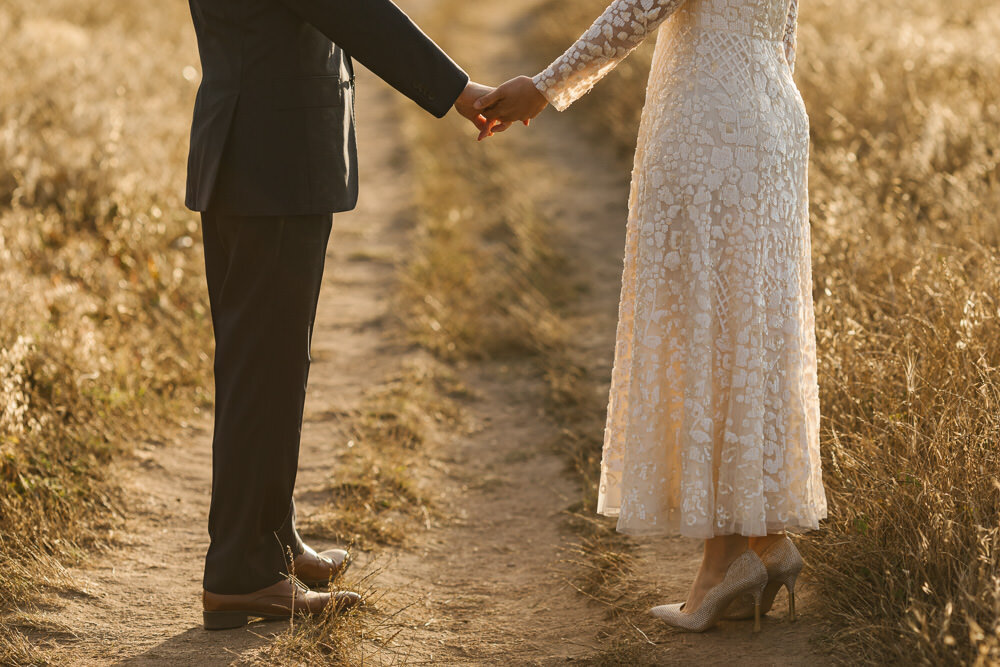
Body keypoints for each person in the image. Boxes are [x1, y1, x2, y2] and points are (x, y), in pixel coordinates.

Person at [475, 0, 827, 633]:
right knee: (753, 332)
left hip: (708, 129)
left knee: (705, 332)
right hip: (774, 122)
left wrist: (546, 86)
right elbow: (784, 31)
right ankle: (766, 539)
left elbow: (640, 7)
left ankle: (722, 566)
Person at [185, 0, 491, 630]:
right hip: (268, 155)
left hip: (262, 153)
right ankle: (240, 573)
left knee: (272, 364)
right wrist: (458, 90)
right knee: (260, 367)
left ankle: (269, 539)